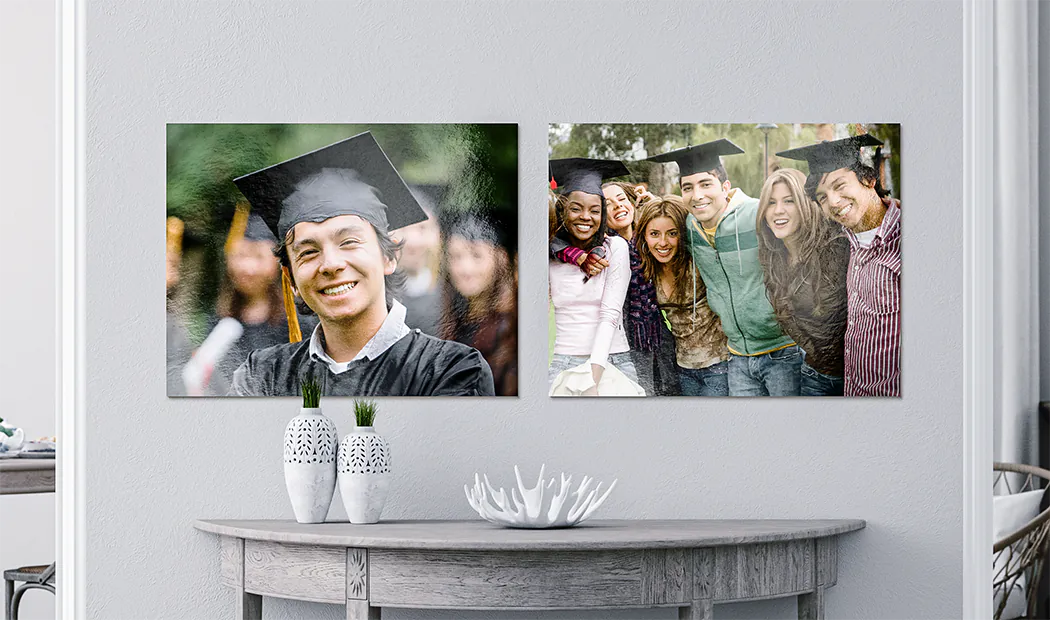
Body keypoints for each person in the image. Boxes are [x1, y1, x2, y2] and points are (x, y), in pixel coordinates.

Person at [228, 131, 495, 396]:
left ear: (389, 257)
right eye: (308, 252)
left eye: (349, 242)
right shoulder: (262, 376)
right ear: (291, 279)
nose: (330, 264)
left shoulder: (451, 372)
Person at [647, 139, 801, 396]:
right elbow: (653, 225)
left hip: (782, 349)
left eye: (706, 184)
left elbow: (806, 226)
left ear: (725, 186)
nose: (697, 195)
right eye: (688, 187)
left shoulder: (757, 215)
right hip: (738, 356)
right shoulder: (690, 227)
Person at [777, 135, 900, 396]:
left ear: (869, 179)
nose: (832, 202)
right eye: (822, 197)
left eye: (840, 185)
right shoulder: (847, 242)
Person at [548, 158, 640, 395]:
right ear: (562, 210)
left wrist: (593, 378)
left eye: (595, 210)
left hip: (612, 358)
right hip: (563, 359)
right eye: (576, 208)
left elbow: (610, 314)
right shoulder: (549, 254)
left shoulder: (615, 248)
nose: (585, 217)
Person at [755, 168, 849, 396]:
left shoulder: (836, 247)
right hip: (814, 375)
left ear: (805, 204)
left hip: (853, 376)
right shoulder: (774, 257)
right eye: (770, 202)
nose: (778, 211)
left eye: (789, 201)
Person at [635, 196, 729, 395]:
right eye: (654, 234)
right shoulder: (647, 271)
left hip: (719, 364)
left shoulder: (697, 262)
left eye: (672, 233)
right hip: (683, 367)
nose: (663, 243)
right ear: (644, 236)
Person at [441, 215, 518, 396]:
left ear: (500, 259)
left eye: (477, 256)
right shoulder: (453, 320)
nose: (465, 269)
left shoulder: (512, 328)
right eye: (456, 256)